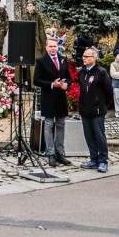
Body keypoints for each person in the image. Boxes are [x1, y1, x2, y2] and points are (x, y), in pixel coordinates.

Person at [33, 37, 72, 168]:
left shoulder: (63, 59)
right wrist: (51, 84)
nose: (53, 49)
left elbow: (69, 78)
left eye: (55, 46)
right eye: (50, 46)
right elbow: (36, 80)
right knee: (49, 125)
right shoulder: (41, 61)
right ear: (46, 47)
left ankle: (60, 153)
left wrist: (67, 85)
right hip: (48, 98)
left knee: (61, 125)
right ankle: (51, 153)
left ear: (58, 47)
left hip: (61, 97)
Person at [77, 47, 113, 172]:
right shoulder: (81, 72)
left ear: (94, 58)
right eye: (83, 56)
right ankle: (93, 159)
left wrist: (103, 104)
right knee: (89, 136)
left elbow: (108, 91)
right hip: (85, 109)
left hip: (97, 110)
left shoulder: (101, 72)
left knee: (99, 136)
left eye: (86, 57)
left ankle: (103, 160)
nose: (84, 59)